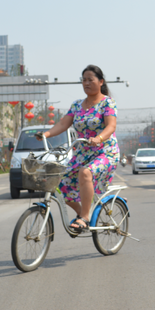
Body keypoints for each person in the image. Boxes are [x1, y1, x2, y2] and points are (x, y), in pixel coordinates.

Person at [37, 65, 119, 232]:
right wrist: (45, 134)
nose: (86, 83)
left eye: (91, 79)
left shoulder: (107, 103)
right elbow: (62, 124)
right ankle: (82, 213)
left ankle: (85, 217)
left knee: (85, 172)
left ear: (101, 82)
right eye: (84, 80)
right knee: (61, 184)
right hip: (82, 154)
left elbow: (111, 126)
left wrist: (98, 138)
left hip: (105, 152)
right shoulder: (76, 106)